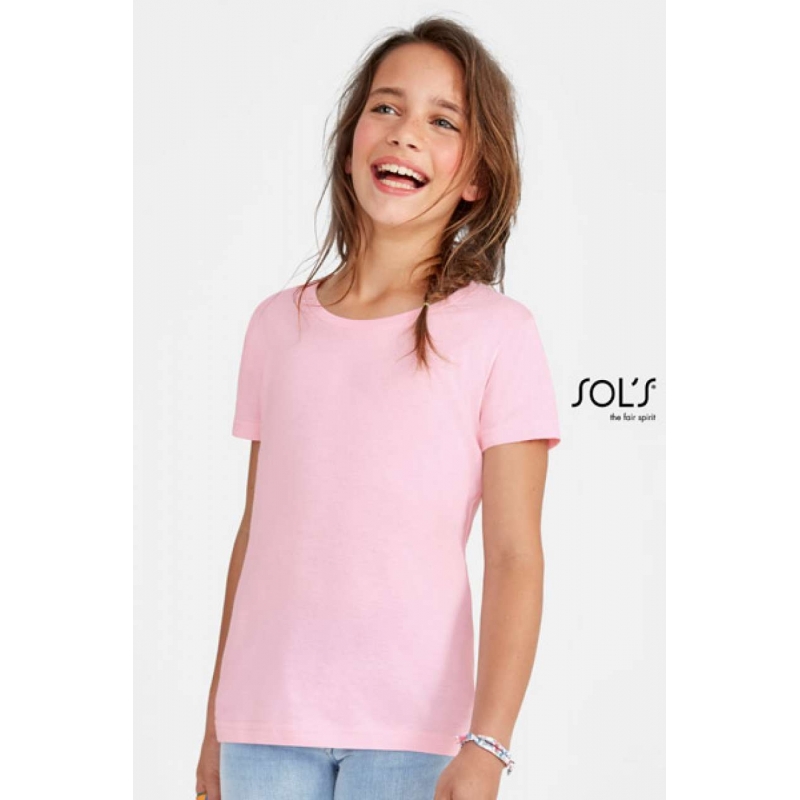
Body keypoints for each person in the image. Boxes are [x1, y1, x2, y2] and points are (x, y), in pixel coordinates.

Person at [195, 15, 561, 800]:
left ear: (476, 177)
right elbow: (257, 533)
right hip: (263, 730)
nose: (404, 133)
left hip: (417, 741)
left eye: (442, 120)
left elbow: (513, 556)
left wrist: (488, 744)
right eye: (386, 107)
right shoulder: (277, 325)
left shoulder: (499, 334)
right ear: (351, 141)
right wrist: (214, 728)